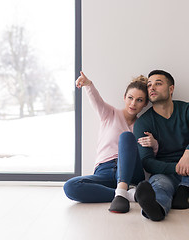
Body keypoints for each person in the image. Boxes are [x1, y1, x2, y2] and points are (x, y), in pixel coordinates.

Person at [63, 71, 158, 213]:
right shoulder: (110, 114)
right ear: (124, 97)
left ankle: (122, 192)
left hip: (131, 172)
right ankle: (127, 194)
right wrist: (88, 84)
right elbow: (97, 101)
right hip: (104, 171)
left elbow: (148, 158)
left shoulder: (143, 126)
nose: (133, 103)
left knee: (126, 137)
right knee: (70, 187)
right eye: (130, 98)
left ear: (145, 104)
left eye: (139, 100)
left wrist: (154, 144)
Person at [133, 70, 189, 221]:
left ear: (171, 89)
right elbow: (147, 162)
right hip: (166, 174)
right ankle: (156, 209)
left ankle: (184, 190)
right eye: (149, 85)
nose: (152, 88)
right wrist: (177, 167)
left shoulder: (187, 109)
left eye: (158, 83)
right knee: (160, 186)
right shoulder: (143, 122)